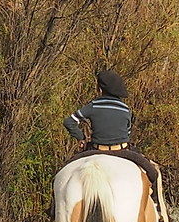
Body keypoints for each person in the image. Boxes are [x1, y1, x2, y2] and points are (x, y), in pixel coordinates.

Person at [65, 68, 162, 201]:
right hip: (122, 151)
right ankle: (156, 207)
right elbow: (127, 132)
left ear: (100, 89)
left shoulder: (93, 105)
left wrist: (81, 138)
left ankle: (53, 208)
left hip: (95, 150)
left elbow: (69, 121)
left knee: (64, 173)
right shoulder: (126, 109)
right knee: (153, 173)